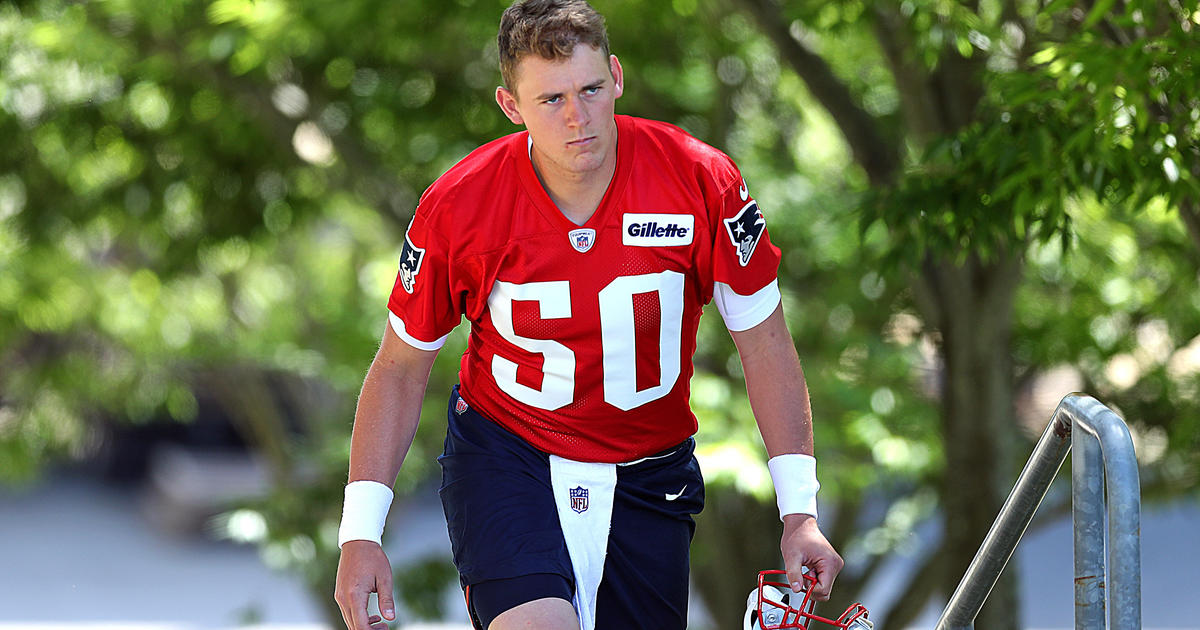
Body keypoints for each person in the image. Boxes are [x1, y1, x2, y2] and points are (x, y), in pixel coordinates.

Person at [333, 1, 843, 629]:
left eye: (591, 89)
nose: (578, 117)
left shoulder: (700, 178)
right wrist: (360, 533)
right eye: (551, 100)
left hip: (650, 470)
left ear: (618, 77)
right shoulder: (461, 204)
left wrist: (801, 514)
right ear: (510, 106)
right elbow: (401, 367)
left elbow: (764, 343)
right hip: (511, 455)